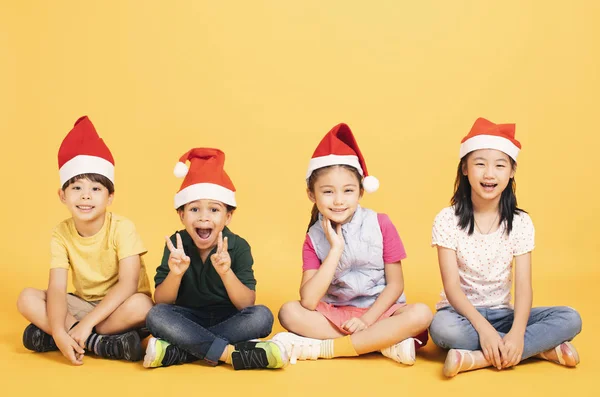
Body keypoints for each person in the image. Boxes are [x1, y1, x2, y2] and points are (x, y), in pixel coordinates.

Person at [429, 117, 582, 377]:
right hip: (461, 316)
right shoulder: (447, 219)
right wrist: (484, 330)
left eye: (500, 165)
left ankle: (478, 359)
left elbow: (523, 286)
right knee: (442, 329)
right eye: (480, 164)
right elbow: (452, 288)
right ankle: (540, 350)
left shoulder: (521, 222)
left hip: (504, 314)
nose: (490, 174)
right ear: (465, 168)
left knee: (571, 318)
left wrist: (518, 333)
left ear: (511, 171)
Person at [274, 123, 432, 365]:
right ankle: (381, 344)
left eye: (348, 191)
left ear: (360, 192)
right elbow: (308, 301)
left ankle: (330, 348)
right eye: (328, 192)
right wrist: (335, 250)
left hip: (380, 312)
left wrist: (367, 320)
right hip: (336, 314)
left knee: (421, 314)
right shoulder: (313, 237)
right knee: (289, 312)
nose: (338, 201)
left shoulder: (381, 223)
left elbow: (396, 285)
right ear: (311, 194)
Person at [17, 116, 153, 365]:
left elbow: (128, 285)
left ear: (110, 196)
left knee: (143, 305)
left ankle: (74, 336)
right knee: (27, 298)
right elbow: (58, 289)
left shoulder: (122, 228)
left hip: (119, 308)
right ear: (62, 195)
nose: (86, 197)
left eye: (96, 189)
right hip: (83, 306)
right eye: (77, 188)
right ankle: (97, 344)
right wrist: (59, 330)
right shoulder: (61, 232)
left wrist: (86, 324)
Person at [143, 148, 288, 370]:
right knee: (156, 315)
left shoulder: (238, 246)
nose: (203, 216)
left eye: (214, 209)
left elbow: (246, 303)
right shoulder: (176, 244)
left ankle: (181, 352)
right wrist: (176, 273)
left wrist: (226, 272)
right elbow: (162, 301)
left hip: (229, 318)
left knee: (262, 316)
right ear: (181, 215)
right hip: (187, 318)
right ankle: (230, 354)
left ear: (228, 216)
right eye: (194, 209)